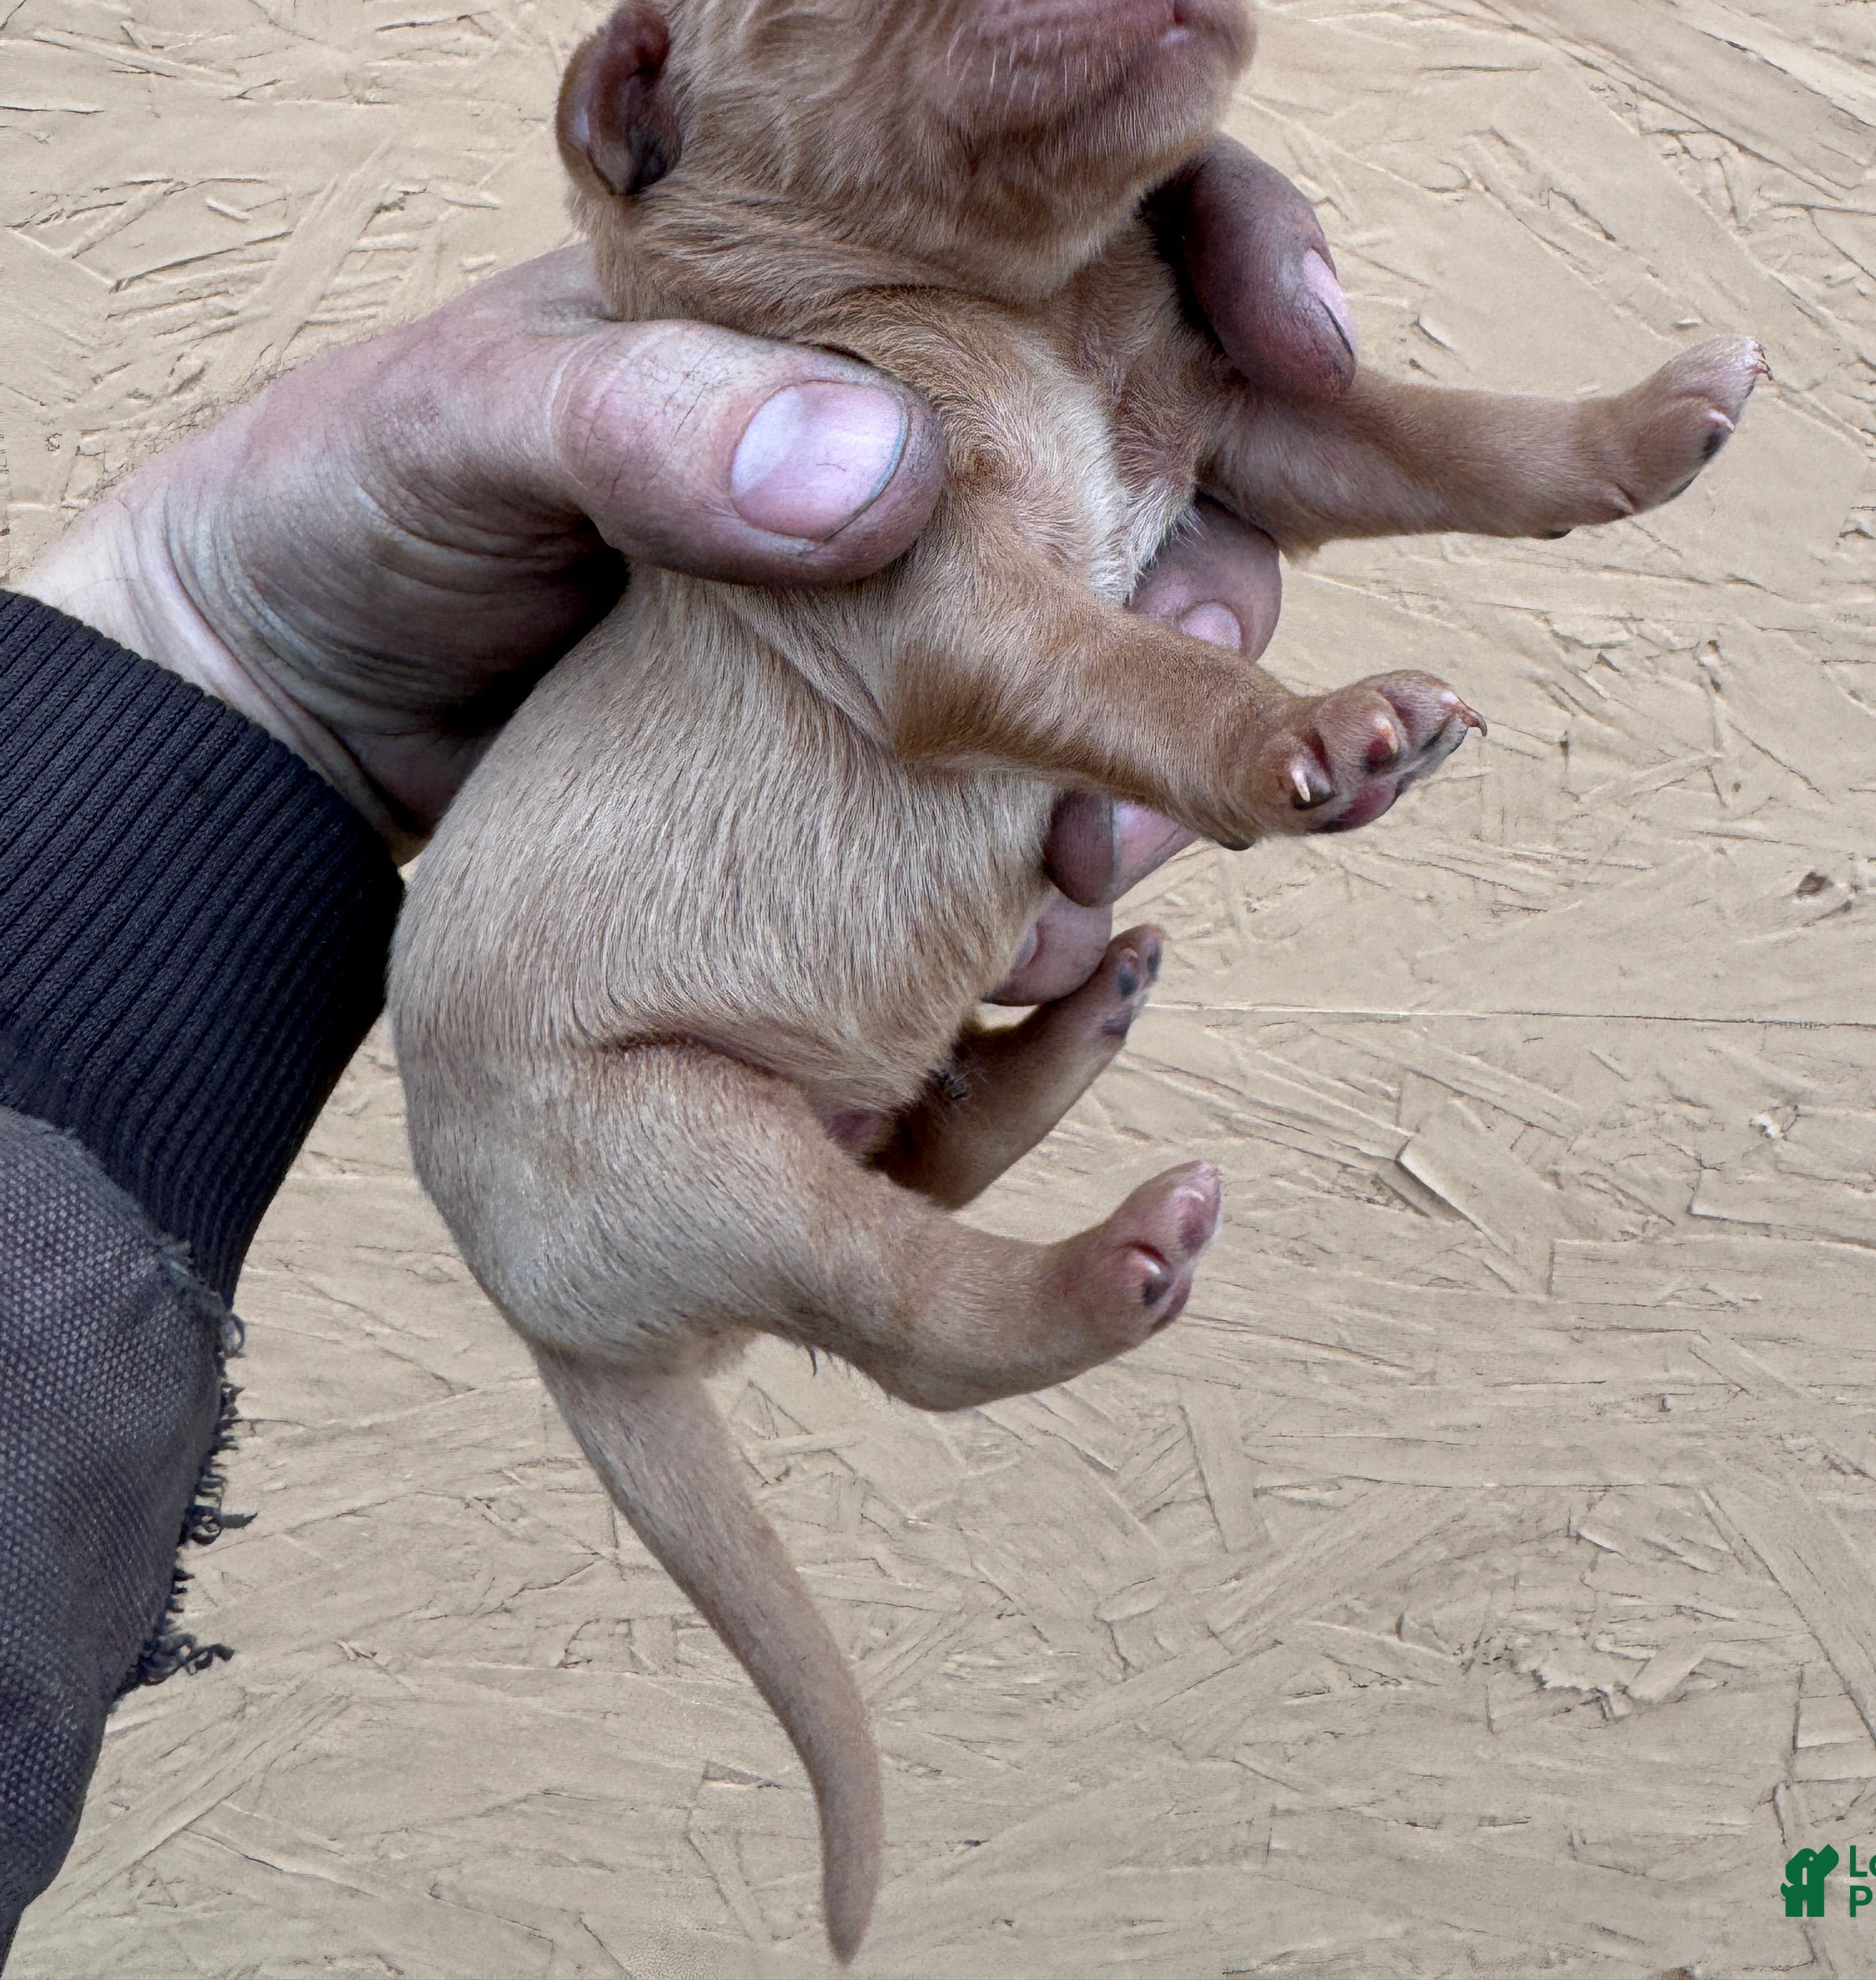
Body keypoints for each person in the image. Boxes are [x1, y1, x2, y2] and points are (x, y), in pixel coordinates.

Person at [0, 140, 1356, 1957]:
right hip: (599, 1089)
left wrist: (219, 658)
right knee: (849, 1094)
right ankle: (950, 1307)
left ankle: (925, 1157)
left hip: (656, 997)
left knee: (906, 935)